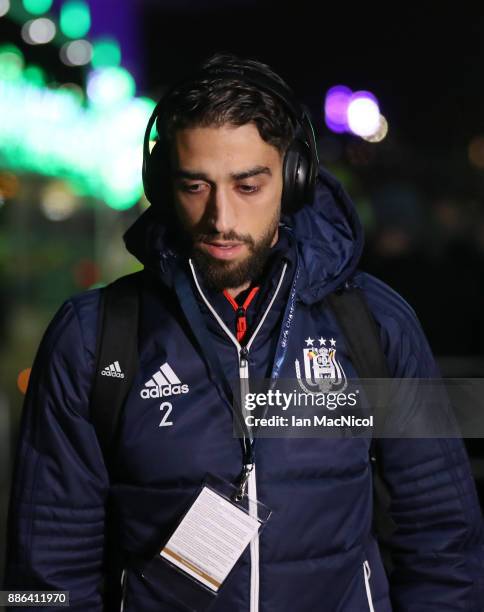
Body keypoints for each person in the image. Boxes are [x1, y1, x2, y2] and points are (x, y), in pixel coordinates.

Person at [4, 52, 484, 612]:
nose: (222, 219)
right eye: (195, 186)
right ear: (162, 185)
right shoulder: (91, 339)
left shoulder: (374, 323)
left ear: (295, 180)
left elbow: (445, 538)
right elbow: (43, 574)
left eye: (248, 186)